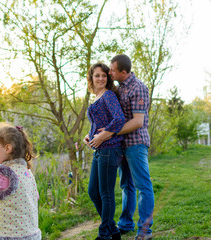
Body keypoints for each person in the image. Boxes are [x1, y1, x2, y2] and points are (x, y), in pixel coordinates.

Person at [93, 54, 154, 240]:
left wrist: (110, 132)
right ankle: (125, 224)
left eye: (112, 70)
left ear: (124, 72)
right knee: (126, 185)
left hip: (136, 143)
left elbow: (137, 122)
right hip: (121, 145)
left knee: (143, 186)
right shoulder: (119, 89)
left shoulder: (139, 88)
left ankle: (144, 231)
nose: (109, 73)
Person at [83, 62, 125, 240]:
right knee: (93, 192)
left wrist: (102, 136)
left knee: (106, 193)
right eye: (97, 75)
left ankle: (104, 234)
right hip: (99, 150)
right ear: (91, 78)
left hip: (110, 149)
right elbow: (98, 122)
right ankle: (113, 230)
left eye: (104, 75)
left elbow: (119, 119)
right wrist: (90, 135)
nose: (101, 78)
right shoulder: (97, 96)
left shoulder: (108, 95)